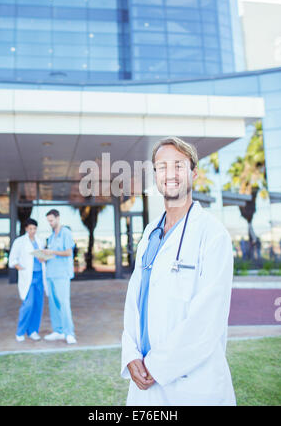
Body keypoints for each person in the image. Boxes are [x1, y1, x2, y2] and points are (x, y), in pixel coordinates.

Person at [121, 136, 236, 406]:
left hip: (191, 385)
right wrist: (131, 354)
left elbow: (207, 321)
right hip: (146, 383)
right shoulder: (150, 234)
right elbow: (133, 305)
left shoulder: (213, 234)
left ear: (194, 173)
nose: (169, 174)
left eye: (178, 166)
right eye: (162, 167)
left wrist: (156, 366)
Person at [9, 218, 48, 342]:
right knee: (28, 305)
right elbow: (12, 260)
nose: (32, 231)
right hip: (28, 278)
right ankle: (20, 332)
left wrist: (44, 258)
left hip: (40, 277)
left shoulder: (39, 241)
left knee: (38, 305)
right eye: (30, 228)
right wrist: (19, 267)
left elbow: (43, 257)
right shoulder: (19, 241)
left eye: (34, 228)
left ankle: (33, 331)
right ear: (26, 228)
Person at [43, 209, 77, 344]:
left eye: (51, 220)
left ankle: (69, 333)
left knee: (63, 304)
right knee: (53, 304)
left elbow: (69, 252)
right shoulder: (51, 236)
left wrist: (52, 251)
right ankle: (58, 331)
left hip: (62, 274)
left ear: (58, 218)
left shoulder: (66, 233)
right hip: (50, 274)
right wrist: (44, 257)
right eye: (48, 221)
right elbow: (52, 254)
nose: (50, 223)